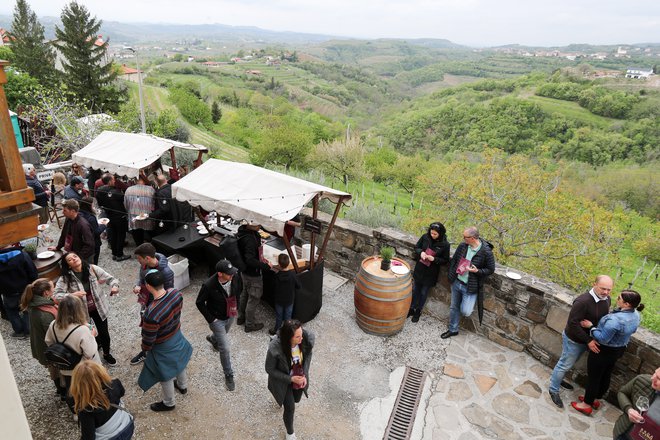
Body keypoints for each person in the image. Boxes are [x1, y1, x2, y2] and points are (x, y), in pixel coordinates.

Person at [572, 290, 644, 416]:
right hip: (619, 349)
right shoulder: (636, 315)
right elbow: (633, 331)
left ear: (627, 304)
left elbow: (602, 338)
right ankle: (594, 399)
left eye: (619, 298)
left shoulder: (615, 320)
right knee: (605, 374)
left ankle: (586, 405)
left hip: (603, 350)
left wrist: (590, 326)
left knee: (594, 377)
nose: (616, 299)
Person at [548, 275, 613, 408]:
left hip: (587, 340)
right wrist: (588, 340)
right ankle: (553, 389)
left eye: (609, 289)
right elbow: (573, 323)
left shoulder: (607, 300)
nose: (606, 292)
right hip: (574, 340)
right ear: (594, 284)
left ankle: (558, 380)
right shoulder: (582, 301)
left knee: (569, 363)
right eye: (603, 288)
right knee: (564, 364)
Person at [138, 270, 193, 412]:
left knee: (165, 373)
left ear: (148, 286)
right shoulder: (175, 293)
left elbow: (149, 339)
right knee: (179, 361)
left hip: (163, 345)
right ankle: (183, 386)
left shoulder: (151, 312)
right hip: (176, 334)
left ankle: (169, 403)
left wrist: (145, 348)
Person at [55, 252, 120, 366]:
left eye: (75, 256)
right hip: (80, 312)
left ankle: (106, 354)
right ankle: (92, 354)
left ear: (79, 257)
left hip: (99, 308)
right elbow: (56, 296)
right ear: (68, 265)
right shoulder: (66, 278)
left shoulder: (92, 269)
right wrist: (72, 295)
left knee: (104, 334)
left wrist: (114, 286)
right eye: (70, 260)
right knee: (88, 335)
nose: (74, 259)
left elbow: (111, 279)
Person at [44, 295, 100, 415]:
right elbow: (90, 352)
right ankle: (91, 412)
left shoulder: (53, 324)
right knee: (89, 390)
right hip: (83, 368)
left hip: (65, 367)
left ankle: (75, 413)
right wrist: (93, 335)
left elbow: (48, 341)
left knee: (72, 391)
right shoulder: (82, 330)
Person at [196, 260, 242, 391]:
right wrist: (212, 319)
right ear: (220, 274)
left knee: (223, 335)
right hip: (217, 320)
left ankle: (214, 339)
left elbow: (238, 290)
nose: (232, 275)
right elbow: (199, 303)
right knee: (225, 348)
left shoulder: (235, 276)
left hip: (231, 314)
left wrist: (236, 306)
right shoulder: (209, 285)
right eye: (229, 274)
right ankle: (228, 374)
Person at [442, 226, 495, 339]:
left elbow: (490, 269)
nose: (463, 239)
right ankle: (453, 329)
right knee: (454, 307)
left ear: (473, 238)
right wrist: (451, 274)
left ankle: (467, 306)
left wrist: (477, 271)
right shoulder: (463, 246)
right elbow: (455, 260)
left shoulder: (486, 252)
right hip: (457, 282)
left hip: (470, 286)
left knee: (465, 311)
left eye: (465, 237)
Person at [265, 319, 315, 440]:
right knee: (290, 407)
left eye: (301, 334)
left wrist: (305, 374)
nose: (301, 339)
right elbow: (269, 369)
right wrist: (291, 379)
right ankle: (290, 433)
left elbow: (308, 355)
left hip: (298, 377)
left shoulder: (306, 338)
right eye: (298, 337)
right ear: (288, 338)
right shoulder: (275, 348)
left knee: (296, 399)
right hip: (284, 381)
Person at [129, 243, 175, 366]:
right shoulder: (145, 264)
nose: (138, 261)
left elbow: (169, 294)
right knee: (146, 329)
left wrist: (156, 308)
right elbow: (141, 278)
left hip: (157, 306)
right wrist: (138, 285)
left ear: (147, 258)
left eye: (139, 258)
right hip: (145, 301)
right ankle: (145, 352)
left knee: (159, 331)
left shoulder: (166, 272)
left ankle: (160, 355)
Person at [20, 278, 65, 399]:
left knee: (54, 370)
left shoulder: (36, 303)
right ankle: (63, 392)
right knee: (57, 371)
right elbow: (55, 335)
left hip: (42, 346)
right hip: (51, 349)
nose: (54, 288)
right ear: (46, 293)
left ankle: (60, 390)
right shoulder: (45, 313)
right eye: (52, 287)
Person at [70, 361, 134, 440]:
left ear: (78, 385)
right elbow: (122, 392)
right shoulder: (115, 384)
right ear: (102, 373)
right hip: (127, 427)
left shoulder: (86, 410)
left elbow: (89, 437)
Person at [408, 222, 450, 323]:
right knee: (415, 290)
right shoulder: (425, 237)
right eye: (431, 233)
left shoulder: (445, 245)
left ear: (440, 233)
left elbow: (445, 260)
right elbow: (417, 247)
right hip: (420, 268)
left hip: (431, 272)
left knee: (423, 293)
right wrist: (421, 252)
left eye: (435, 234)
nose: (432, 235)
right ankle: (411, 308)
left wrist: (434, 259)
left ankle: (418, 310)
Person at [237, 222, 271, 332]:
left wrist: (260, 258)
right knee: (254, 298)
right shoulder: (249, 240)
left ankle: (241, 317)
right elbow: (250, 260)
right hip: (252, 274)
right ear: (251, 224)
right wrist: (265, 266)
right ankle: (249, 325)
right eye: (258, 224)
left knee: (245, 294)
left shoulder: (243, 231)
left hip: (244, 271)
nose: (260, 226)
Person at [0, 244, 38, 337]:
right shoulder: (22, 255)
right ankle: (28, 331)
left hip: (8, 292)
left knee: (12, 311)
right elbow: (32, 272)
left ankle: (19, 331)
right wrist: (32, 285)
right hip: (24, 289)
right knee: (27, 309)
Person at [613, 367, 660, 440]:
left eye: (658, 378)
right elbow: (622, 393)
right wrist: (629, 409)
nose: (652, 378)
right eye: (655, 373)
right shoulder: (642, 380)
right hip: (623, 434)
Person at [96, 174, 130, 261]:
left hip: (108, 216)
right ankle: (119, 255)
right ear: (110, 181)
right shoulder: (116, 192)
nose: (114, 181)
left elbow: (100, 205)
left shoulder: (99, 191)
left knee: (113, 235)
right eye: (113, 180)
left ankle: (114, 254)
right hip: (119, 217)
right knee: (120, 235)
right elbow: (125, 202)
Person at [49, 199, 95, 264]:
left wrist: (78, 257)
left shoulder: (83, 225)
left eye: (65, 210)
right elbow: (64, 234)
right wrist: (58, 247)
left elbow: (90, 245)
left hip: (84, 257)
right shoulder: (68, 219)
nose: (62, 212)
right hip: (74, 253)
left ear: (72, 211)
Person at [268, 254, 300, 336]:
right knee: (288, 317)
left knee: (279, 316)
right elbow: (298, 286)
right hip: (289, 300)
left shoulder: (276, 276)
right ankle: (287, 333)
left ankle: (276, 330)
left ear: (278, 264)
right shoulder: (292, 275)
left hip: (279, 300)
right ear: (289, 262)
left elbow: (272, 287)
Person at [123, 176, 155, 246]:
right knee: (150, 234)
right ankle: (151, 248)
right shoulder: (151, 189)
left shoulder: (128, 190)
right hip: (147, 216)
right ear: (144, 180)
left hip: (134, 217)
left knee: (137, 235)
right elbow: (154, 204)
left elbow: (125, 204)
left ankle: (140, 248)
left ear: (135, 180)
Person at [79, 196, 106, 265]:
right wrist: (104, 225)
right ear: (90, 205)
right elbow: (96, 232)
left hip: (83, 243)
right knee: (93, 262)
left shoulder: (79, 214)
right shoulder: (90, 218)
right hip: (93, 244)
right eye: (93, 204)